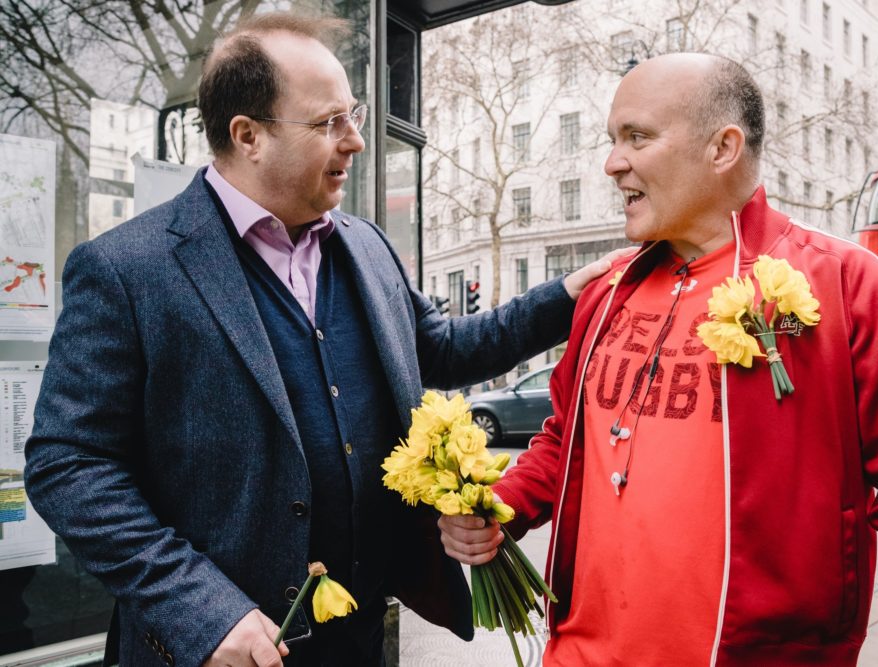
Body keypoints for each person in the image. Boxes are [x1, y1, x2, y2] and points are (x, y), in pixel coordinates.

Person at [23, 12, 617, 667]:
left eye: (353, 113)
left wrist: (567, 296)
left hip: (360, 639)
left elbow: (443, 349)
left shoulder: (364, 244)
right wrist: (202, 609)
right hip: (220, 651)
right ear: (248, 135)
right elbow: (68, 465)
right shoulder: (126, 268)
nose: (357, 140)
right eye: (329, 121)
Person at [439, 53, 878, 666]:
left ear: (723, 147)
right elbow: (566, 440)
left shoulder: (843, 283)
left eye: (637, 137)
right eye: (611, 139)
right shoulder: (602, 291)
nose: (611, 162)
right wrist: (502, 505)